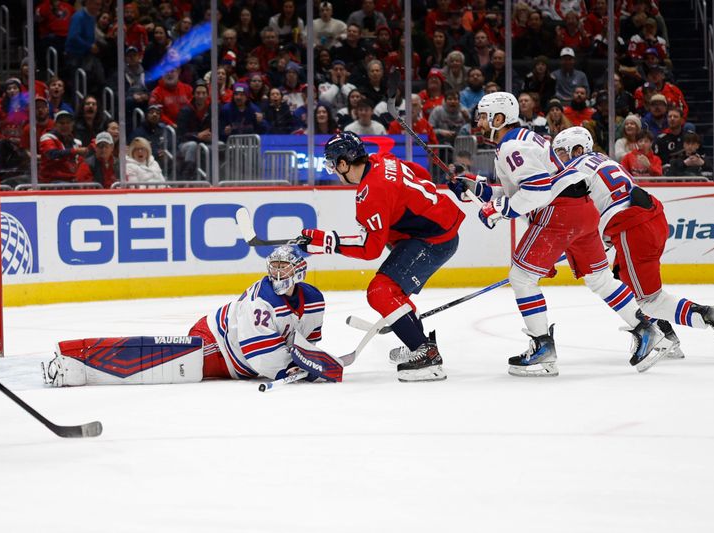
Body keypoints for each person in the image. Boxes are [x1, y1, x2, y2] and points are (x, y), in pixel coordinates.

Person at [451, 92, 672, 376]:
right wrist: (474, 187)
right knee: (599, 278)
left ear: (498, 118)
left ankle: (542, 348)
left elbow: (537, 191)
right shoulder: (524, 139)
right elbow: (521, 189)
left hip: (558, 214)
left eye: (483, 116)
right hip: (582, 209)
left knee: (522, 277)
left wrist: (500, 210)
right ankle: (646, 329)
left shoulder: (510, 147)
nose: (478, 121)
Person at [552, 127, 714, 357]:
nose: (558, 158)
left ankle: (712, 315)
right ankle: (668, 338)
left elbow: (574, 216)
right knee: (624, 283)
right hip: (649, 217)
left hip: (633, 229)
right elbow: (607, 205)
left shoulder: (574, 170)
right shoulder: (602, 160)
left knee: (649, 301)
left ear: (578, 149)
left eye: (562, 152)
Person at [43, 245, 343, 386]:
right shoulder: (261, 303)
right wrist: (291, 368)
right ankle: (72, 361)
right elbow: (261, 358)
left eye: (284, 267)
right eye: (274, 267)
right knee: (159, 359)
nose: (277, 273)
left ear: (300, 271)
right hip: (217, 344)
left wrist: (310, 359)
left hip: (241, 358)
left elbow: (307, 342)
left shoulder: (314, 299)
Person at [298, 132, 465, 382]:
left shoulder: (371, 192)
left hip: (435, 240)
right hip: (435, 226)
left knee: (381, 292)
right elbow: (422, 174)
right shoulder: (381, 159)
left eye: (333, 164)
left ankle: (426, 354)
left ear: (344, 163)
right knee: (392, 285)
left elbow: (370, 249)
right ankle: (415, 342)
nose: (333, 169)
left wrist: (326, 242)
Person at [38, 110, 91, 183]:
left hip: (72, 181)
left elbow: (80, 164)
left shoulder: (77, 143)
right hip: (52, 181)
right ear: (55, 125)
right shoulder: (47, 138)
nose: (65, 126)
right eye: (62, 123)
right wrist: (75, 151)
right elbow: (52, 154)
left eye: (68, 123)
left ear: (72, 125)